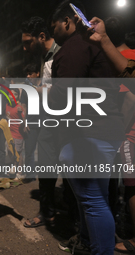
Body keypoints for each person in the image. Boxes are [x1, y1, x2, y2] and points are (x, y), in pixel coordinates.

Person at [49, 1, 125, 254]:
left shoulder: (73, 48)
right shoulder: (93, 45)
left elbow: (63, 94)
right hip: (104, 133)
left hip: (87, 136)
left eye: (54, 26)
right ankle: (87, 243)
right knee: (95, 199)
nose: (52, 33)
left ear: (68, 22)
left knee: (93, 202)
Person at [21, 16, 61, 228]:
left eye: (28, 42)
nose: (26, 48)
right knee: (46, 171)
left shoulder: (61, 54)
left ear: (42, 36)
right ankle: (47, 213)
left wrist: (35, 90)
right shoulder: (44, 58)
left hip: (64, 124)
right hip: (48, 123)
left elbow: (63, 91)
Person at [105, 16, 135, 253]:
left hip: (129, 133)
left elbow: (128, 101)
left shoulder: (119, 61)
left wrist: (121, 133)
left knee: (131, 184)